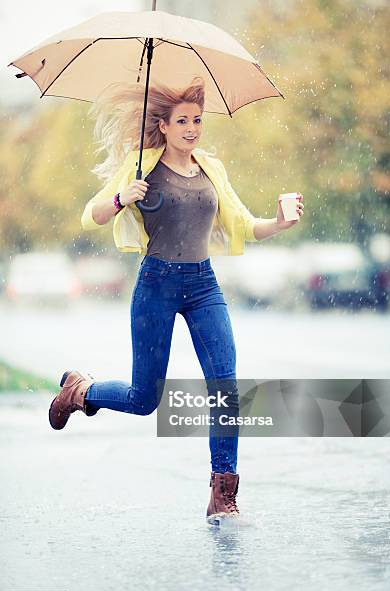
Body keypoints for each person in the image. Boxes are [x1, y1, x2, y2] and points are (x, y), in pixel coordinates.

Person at [49, 76, 304, 523]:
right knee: (145, 398)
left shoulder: (211, 170)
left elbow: (244, 225)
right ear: (163, 126)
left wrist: (280, 222)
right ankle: (82, 391)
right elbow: (90, 216)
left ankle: (223, 494)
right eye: (182, 120)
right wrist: (120, 196)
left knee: (225, 387)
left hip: (204, 285)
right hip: (156, 285)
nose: (191, 128)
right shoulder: (140, 167)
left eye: (197, 120)